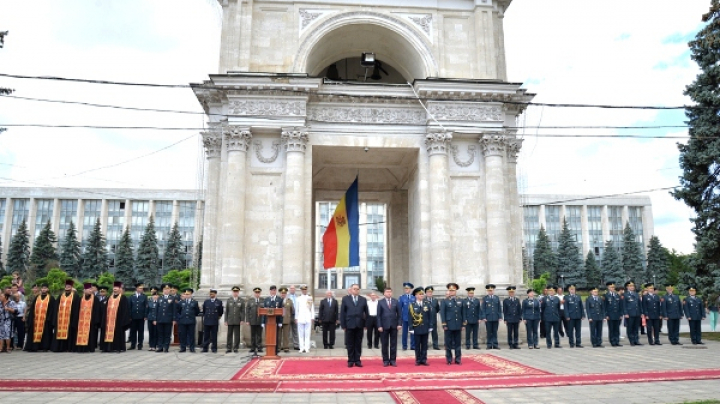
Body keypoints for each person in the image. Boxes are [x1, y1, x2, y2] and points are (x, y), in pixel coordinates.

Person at [340, 283, 368, 367]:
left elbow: (366, 313)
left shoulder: (363, 299)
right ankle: (351, 360)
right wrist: (343, 325)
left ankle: (357, 360)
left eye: (357, 289)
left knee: (358, 343)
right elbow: (342, 313)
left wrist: (366, 324)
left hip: (360, 324)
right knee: (350, 343)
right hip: (349, 324)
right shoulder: (345, 299)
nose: (356, 290)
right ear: (351, 290)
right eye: (354, 289)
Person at [100, 281, 131, 353]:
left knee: (117, 334)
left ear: (120, 289)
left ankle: (117, 348)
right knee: (107, 333)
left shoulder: (123, 298)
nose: (115, 289)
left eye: (116, 288)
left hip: (118, 320)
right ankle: (107, 348)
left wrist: (123, 320)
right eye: (114, 288)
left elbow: (125, 310)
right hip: (109, 320)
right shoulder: (109, 298)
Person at [51, 279, 81, 352]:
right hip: (60, 319)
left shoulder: (75, 296)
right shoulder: (61, 296)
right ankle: (59, 348)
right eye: (66, 286)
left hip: (69, 319)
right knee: (59, 333)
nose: (67, 287)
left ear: (71, 287)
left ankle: (68, 348)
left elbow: (77, 308)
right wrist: (55, 319)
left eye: (69, 286)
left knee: (70, 333)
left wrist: (74, 319)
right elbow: (56, 308)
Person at [24, 283, 55, 352]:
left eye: (45, 288)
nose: (44, 289)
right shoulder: (37, 297)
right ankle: (34, 347)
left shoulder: (51, 298)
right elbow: (32, 308)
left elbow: (53, 309)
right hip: (36, 320)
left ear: (48, 289)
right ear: (41, 289)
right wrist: (31, 318)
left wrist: (49, 318)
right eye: (43, 288)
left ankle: (45, 347)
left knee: (45, 334)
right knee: (34, 333)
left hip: (45, 320)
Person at [408, 287, 435, 366]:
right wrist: (411, 328)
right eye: (420, 294)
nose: (422, 296)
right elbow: (410, 317)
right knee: (417, 345)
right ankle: (418, 360)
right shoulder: (412, 305)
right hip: (416, 328)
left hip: (425, 327)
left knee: (424, 345)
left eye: (422, 294)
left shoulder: (427, 304)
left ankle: (424, 359)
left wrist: (430, 326)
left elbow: (430, 316)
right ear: (416, 295)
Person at [376, 286, 401, 367]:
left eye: (390, 292)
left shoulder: (395, 301)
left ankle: (393, 360)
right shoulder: (380, 302)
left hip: (394, 326)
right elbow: (378, 315)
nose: (389, 293)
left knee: (393, 344)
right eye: (387, 292)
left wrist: (399, 324)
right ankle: (386, 360)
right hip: (384, 326)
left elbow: (399, 314)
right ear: (384, 293)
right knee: (384, 344)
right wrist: (379, 326)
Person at [74, 282, 102, 353]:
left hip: (91, 321)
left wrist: (96, 320)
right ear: (84, 290)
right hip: (81, 321)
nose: (90, 290)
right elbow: (76, 310)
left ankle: (90, 348)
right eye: (88, 289)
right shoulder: (80, 299)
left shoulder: (95, 299)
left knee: (91, 335)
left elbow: (97, 310)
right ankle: (80, 347)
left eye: (91, 289)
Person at [440, 282, 464, 365]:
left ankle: (458, 359)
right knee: (448, 343)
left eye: (453, 290)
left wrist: (463, 324)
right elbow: (442, 313)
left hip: (458, 325)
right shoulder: (445, 301)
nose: (451, 292)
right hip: (449, 325)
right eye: (450, 290)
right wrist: (444, 324)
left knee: (458, 343)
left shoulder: (460, 300)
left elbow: (462, 313)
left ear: (456, 291)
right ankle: (449, 359)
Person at [176, 288, 200, 353]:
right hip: (183, 321)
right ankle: (183, 348)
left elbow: (197, 312)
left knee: (191, 335)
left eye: (188, 294)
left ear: (191, 294)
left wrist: (191, 315)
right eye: (185, 294)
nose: (186, 295)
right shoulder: (181, 302)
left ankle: (192, 348)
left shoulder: (195, 302)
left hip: (191, 321)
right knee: (183, 335)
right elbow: (179, 311)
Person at [154, 283, 177, 353]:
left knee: (167, 334)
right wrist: (155, 319)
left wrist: (174, 319)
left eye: (167, 289)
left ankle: (166, 347)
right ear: (162, 290)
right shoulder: (160, 298)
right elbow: (156, 309)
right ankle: (160, 347)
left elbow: (174, 310)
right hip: (160, 319)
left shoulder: (172, 298)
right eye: (164, 289)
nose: (166, 291)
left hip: (168, 319)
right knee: (160, 334)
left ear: (170, 290)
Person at [201, 289, 224, 353]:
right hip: (207, 320)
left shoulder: (219, 302)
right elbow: (204, 311)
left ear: (215, 294)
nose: (211, 295)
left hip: (214, 321)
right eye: (210, 294)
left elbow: (220, 312)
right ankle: (205, 348)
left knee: (214, 336)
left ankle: (214, 348)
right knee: (206, 335)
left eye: (212, 294)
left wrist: (217, 317)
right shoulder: (206, 302)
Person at [224, 286, 245, 354]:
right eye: (234, 292)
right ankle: (229, 348)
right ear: (232, 292)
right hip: (230, 320)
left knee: (237, 335)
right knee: (229, 334)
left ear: (238, 292)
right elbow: (226, 311)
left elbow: (243, 311)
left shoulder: (241, 300)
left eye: (236, 292)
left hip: (237, 320)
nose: (235, 293)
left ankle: (236, 348)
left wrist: (242, 319)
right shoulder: (229, 300)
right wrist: (225, 320)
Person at [128, 282, 147, 350]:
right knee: (133, 331)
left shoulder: (144, 296)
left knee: (141, 331)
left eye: (142, 288)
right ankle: (133, 344)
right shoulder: (131, 297)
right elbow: (129, 307)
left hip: (141, 317)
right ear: (136, 288)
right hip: (133, 317)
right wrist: (129, 316)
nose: (141, 289)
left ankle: (140, 344)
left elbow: (146, 307)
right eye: (140, 288)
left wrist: (145, 315)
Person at [263, 285, 283, 350]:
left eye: (274, 290)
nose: (273, 292)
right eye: (272, 290)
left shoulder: (279, 299)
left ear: (276, 291)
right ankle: (269, 349)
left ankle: (276, 349)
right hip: (268, 321)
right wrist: (263, 322)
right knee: (268, 335)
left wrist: (280, 321)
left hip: (276, 321)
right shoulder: (266, 300)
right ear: (270, 291)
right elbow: (263, 311)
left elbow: (282, 311)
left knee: (276, 335)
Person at [623, 281, 643, 346]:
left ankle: (636, 340)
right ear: (627, 287)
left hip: (637, 313)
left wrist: (641, 312)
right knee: (630, 327)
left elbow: (640, 304)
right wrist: (625, 313)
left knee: (636, 328)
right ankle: (631, 340)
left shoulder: (636, 294)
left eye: (633, 286)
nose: (632, 287)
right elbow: (624, 305)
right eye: (630, 286)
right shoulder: (625, 295)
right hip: (630, 314)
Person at [295, 285, 314, 354]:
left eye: (305, 290)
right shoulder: (298, 298)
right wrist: (296, 318)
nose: (304, 291)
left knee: (307, 334)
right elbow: (297, 309)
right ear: (301, 290)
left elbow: (311, 308)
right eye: (303, 290)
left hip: (308, 317)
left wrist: (312, 317)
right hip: (300, 317)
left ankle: (306, 348)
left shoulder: (309, 298)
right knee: (300, 334)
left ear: (307, 290)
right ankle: (301, 348)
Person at [604, 282, 623, 347]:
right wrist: (606, 315)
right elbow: (605, 306)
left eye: (613, 287)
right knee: (611, 329)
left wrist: (621, 314)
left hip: (617, 315)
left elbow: (620, 305)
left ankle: (617, 341)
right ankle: (612, 341)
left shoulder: (617, 295)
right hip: (610, 315)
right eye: (611, 287)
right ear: (608, 288)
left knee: (617, 329)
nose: (612, 288)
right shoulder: (606, 296)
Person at [246, 287, 263, 354]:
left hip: (260, 320)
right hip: (252, 320)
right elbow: (247, 311)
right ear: (254, 293)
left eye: (258, 293)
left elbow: (264, 310)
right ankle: (253, 347)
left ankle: (259, 347)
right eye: (256, 293)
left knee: (259, 334)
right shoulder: (250, 301)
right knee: (253, 335)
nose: (257, 294)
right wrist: (247, 320)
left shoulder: (262, 300)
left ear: (260, 293)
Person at [398, 282, 415, 350]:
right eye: (405, 289)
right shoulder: (402, 297)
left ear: (410, 289)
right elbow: (399, 308)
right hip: (404, 318)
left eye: (408, 289)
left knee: (412, 333)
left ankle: (413, 346)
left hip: (412, 318)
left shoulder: (414, 297)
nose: (406, 290)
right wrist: (400, 319)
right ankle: (404, 346)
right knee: (404, 333)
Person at [279, 287, 294, 353]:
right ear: (280, 294)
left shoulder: (289, 300)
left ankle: (286, 347)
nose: (283, 295)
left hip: (286, 320)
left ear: (286, 294)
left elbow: (292, 310)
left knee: (286, 335)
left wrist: (289, 316)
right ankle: (278, 347)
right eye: (282, 293)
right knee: (278, 335)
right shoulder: (278, 300)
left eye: (284, 293)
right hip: (279, 320)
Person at [146, 286, 159, 351]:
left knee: (155, 332)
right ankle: (151, 345)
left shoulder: (159, 303)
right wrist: (146, 317)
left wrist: (156, 319)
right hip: (150, 319)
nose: (155, 297)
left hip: (156, 319)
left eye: (156, 295)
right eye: (154, 295)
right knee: (150, 332)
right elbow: (147, 310)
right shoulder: (149, 302)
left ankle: (155, 345)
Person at [288, 285, 300, 350]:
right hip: (289, 315)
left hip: (296, 315)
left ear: (295, 290)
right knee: (287, 331)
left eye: (293, 289)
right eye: (291, 288)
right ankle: (286, 345)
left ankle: (296, 345)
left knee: (295, 331)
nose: (292, 290)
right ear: (290, 289)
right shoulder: (287, 297)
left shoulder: (297, 297)